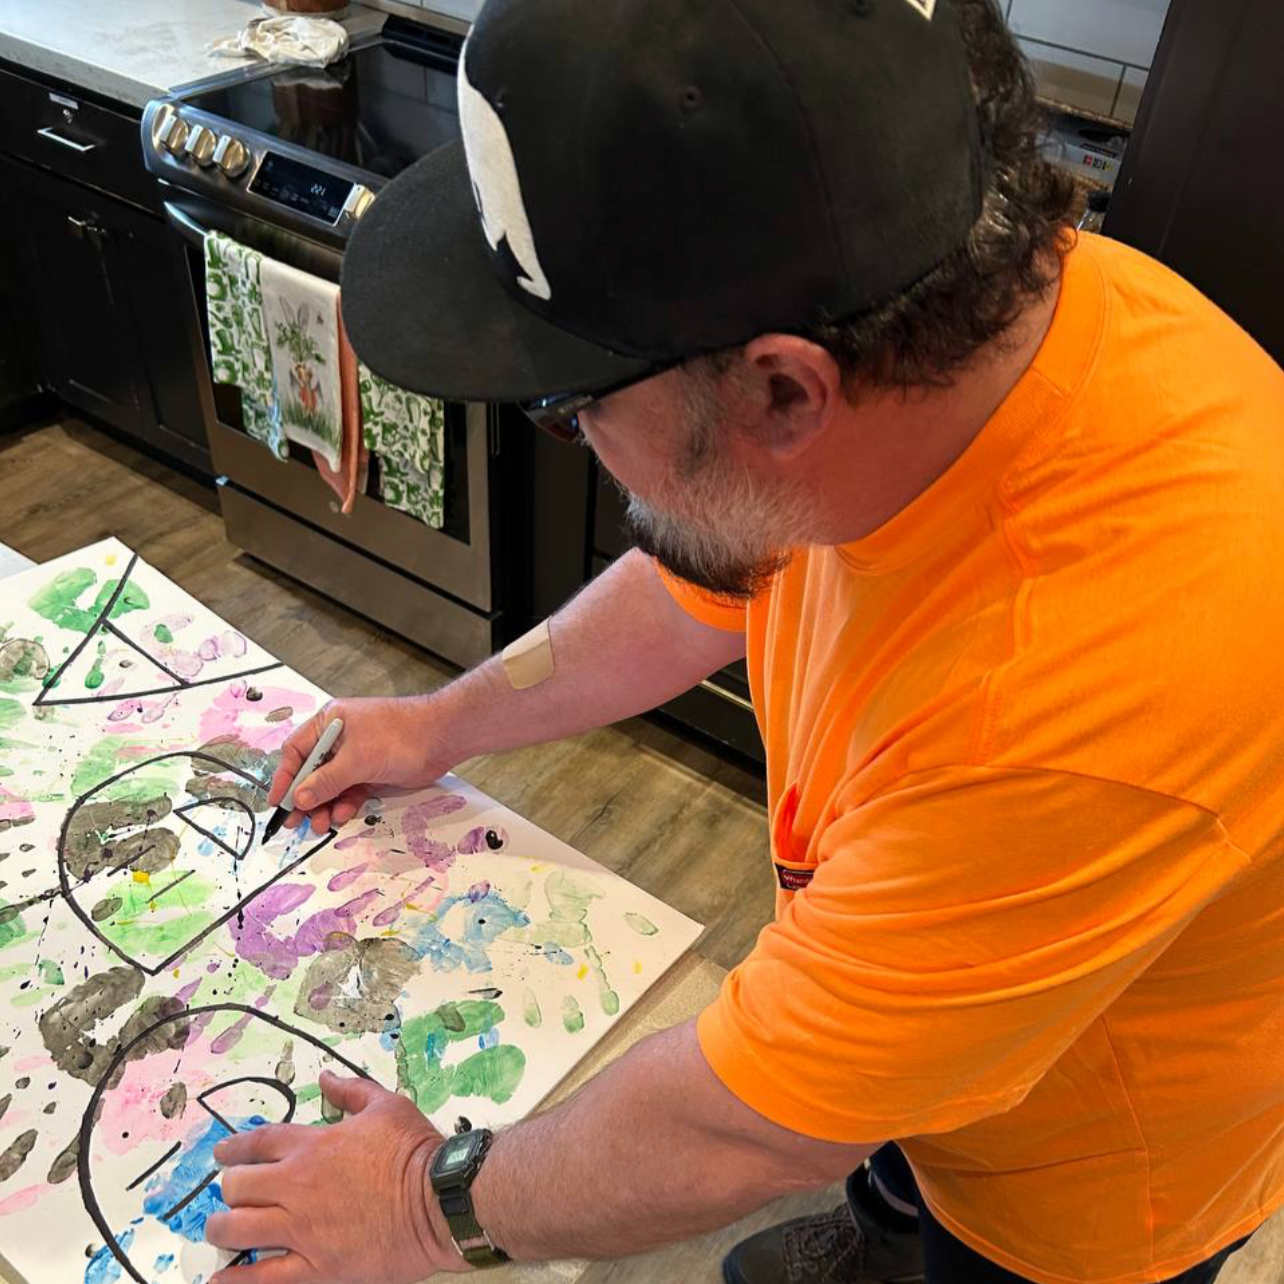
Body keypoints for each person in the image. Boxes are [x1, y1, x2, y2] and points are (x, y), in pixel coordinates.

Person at [204, 0, 1284, 1281]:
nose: (584, 447)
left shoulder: (1076, 689)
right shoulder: (946, 335)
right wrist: (443, 725)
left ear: (781, 390)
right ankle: (882, 1217)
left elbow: (750, 1132)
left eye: (565, 406)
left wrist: (416, 1205)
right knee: (893, 1156)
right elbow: (708, 577)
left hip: (1081, 1178)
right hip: (937, 1029)